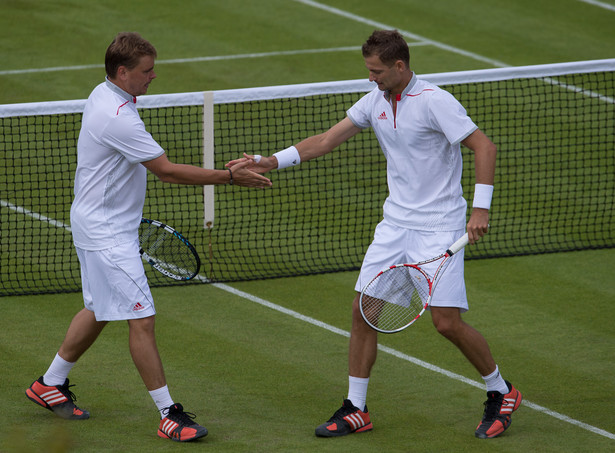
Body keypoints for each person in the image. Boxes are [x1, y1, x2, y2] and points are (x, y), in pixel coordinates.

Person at [228, 29, 521, 440]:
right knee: (364, 309)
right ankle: (356, 408)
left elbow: (484, 147)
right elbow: (327, 140)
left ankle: (500, 391)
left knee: (446, 323)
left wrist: (481, 208)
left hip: (439, 227)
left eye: (377, 71)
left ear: (400, 66)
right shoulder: (374, 102)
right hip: (394, 225)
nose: (371, 78)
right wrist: (269, 161)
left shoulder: (435, 101)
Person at [25, 32, 272, 443]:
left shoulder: (105, 94)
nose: (153, 76)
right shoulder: (117, 117)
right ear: (122, 72)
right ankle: (168, 414)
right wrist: (230, 176)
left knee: (100, 307)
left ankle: (50, 383)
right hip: (106, 233)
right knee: (141, 317)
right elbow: (167, 171)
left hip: (97, 223)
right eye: (146, 71)